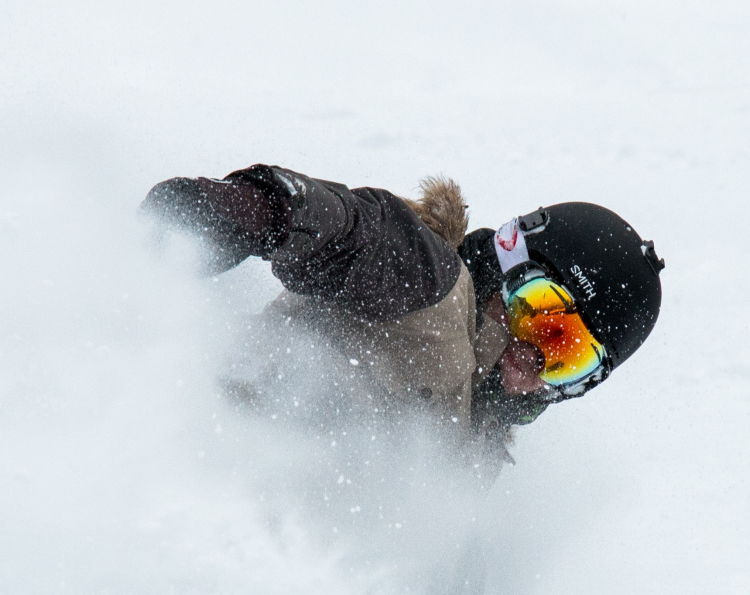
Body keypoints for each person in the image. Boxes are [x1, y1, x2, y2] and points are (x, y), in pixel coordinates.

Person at [142, 163, 664, 465]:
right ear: (509, 262)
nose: (534, 362)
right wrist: (250, 211)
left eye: (569, 358)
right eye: (541, 316)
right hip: (201, 453)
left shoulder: (477, 441)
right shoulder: (430, 286)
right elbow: (355, 232)